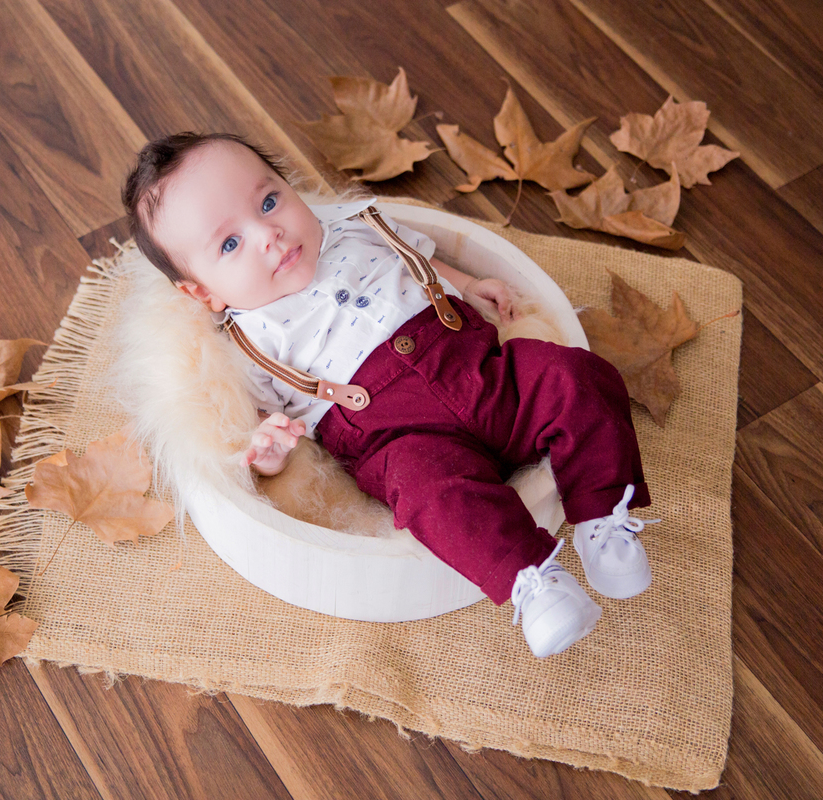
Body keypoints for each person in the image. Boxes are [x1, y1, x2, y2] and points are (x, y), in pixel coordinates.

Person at [122, 132, 657, 658]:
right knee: (430, 495)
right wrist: (269, 450)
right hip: (398, 437)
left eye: (268, 201)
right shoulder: (249, 343)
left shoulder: (355, 230)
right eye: (231, 244)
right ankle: (534, 582)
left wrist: (467, 285)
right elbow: (258, 423)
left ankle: (601, 519)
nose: (269, 234)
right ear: (204, 293)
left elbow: (418, 262)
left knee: (574, 375)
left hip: (482, 372)